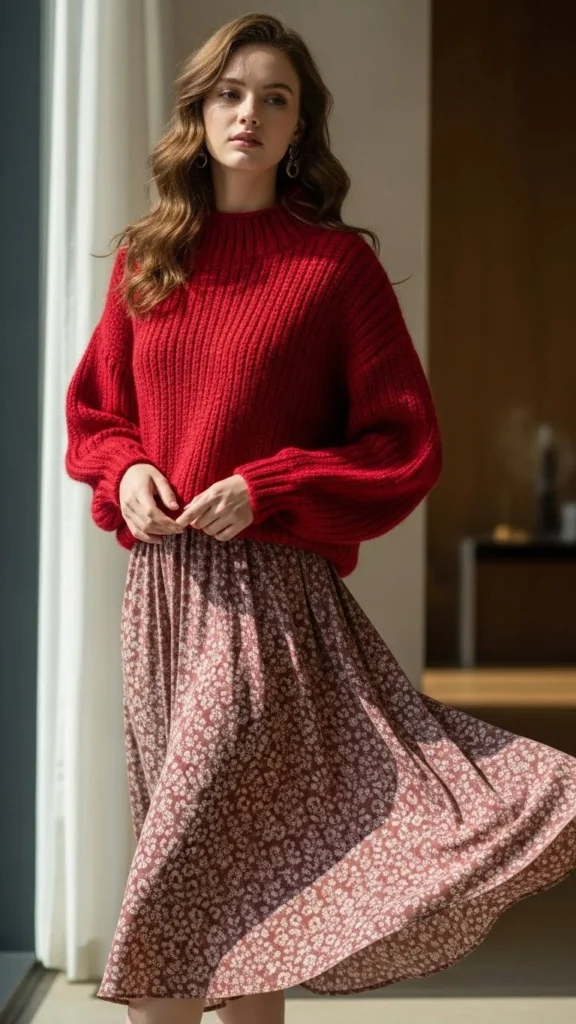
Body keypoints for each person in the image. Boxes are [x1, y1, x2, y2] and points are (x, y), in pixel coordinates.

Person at [64, 13, 576, 1024]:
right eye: (230, 94)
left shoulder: (335, 271)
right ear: (199, 114)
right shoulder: (145, 260)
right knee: (243, 886)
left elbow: (406, 442)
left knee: (183, 883)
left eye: (275, 97)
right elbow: (96, 415)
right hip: (160, 604)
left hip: (267, 613)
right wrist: (124, 474)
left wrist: (271, 486)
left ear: (300, 127)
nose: (249, 112)